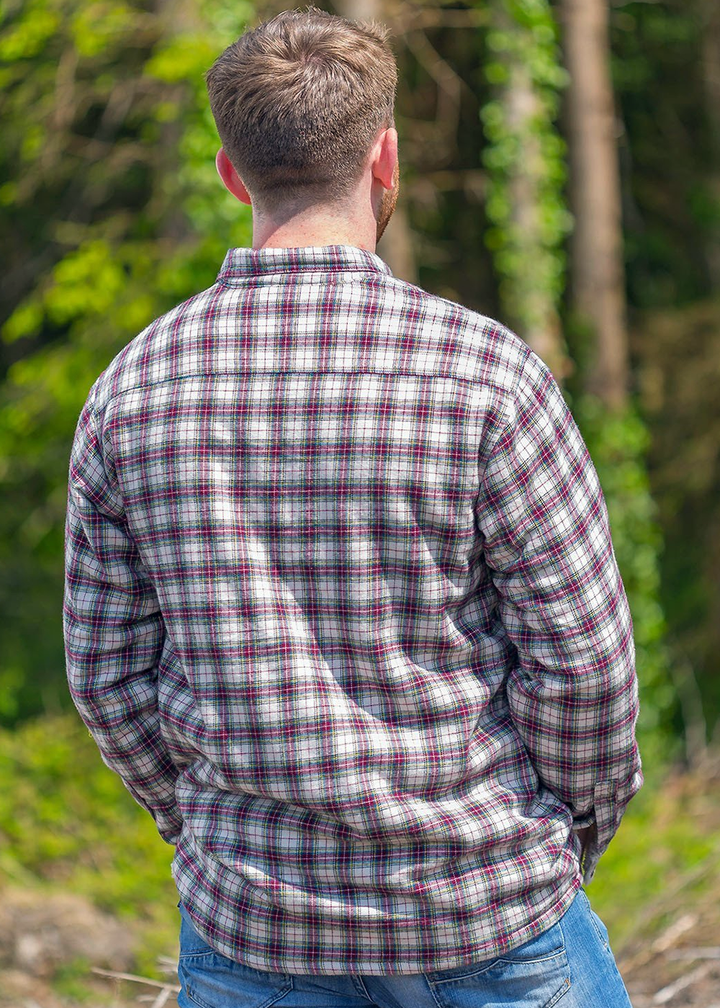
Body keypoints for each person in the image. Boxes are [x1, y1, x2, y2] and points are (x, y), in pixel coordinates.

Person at [63, 7, 643, 1007]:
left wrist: (211, 825)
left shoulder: (134, 391)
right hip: (489, 913)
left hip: (254, 931)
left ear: (232, 173)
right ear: (386, 159)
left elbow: (109, 679)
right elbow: (584, 669)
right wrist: (563, 835)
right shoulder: (486, 374)